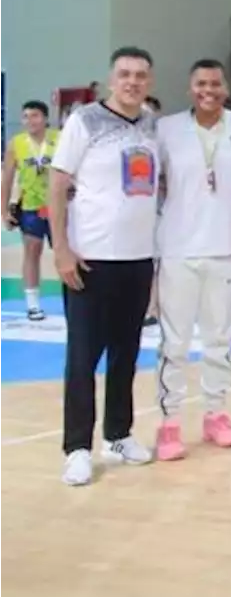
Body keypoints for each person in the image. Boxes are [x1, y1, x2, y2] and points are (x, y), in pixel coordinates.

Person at [50, 47, 160, 486]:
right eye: (125, 74)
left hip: (137, 260)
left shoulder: (152, 123)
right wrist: (61, 248)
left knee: (126, 355)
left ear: (149, 81)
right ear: (111, 79)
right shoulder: (84, 121)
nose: (132, 81)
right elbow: (58, 185)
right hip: (90, 260)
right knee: (82, 358)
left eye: (141, 75)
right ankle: (77, 447)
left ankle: (118, 434)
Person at [153, 60, 231, 460]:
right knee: (175, 342)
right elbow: (153, 180)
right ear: (189, 88)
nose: (208, 90)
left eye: (216, 83)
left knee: (219, 340)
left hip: (225, 248)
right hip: (178, 249)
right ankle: (169, 422)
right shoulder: (166, 129)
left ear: (226, 88)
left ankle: (215, 413)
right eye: (201, 83)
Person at [2, 100, 59, 321]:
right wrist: (4, 211)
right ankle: (33, 304)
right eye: (25, 116)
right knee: (32, 251)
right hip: (31, 207)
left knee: (67, 252)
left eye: (35, 116)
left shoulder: (60, 139)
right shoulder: (16, 144)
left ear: (45, 119)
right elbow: (6, 180)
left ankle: (77, 301)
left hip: (60, 206)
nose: (30, 121)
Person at [142, 97, 162, 328]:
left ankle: (152, 308)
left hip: (159, 212)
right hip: (133, 214)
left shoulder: (163, 142)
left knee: (156, 264)